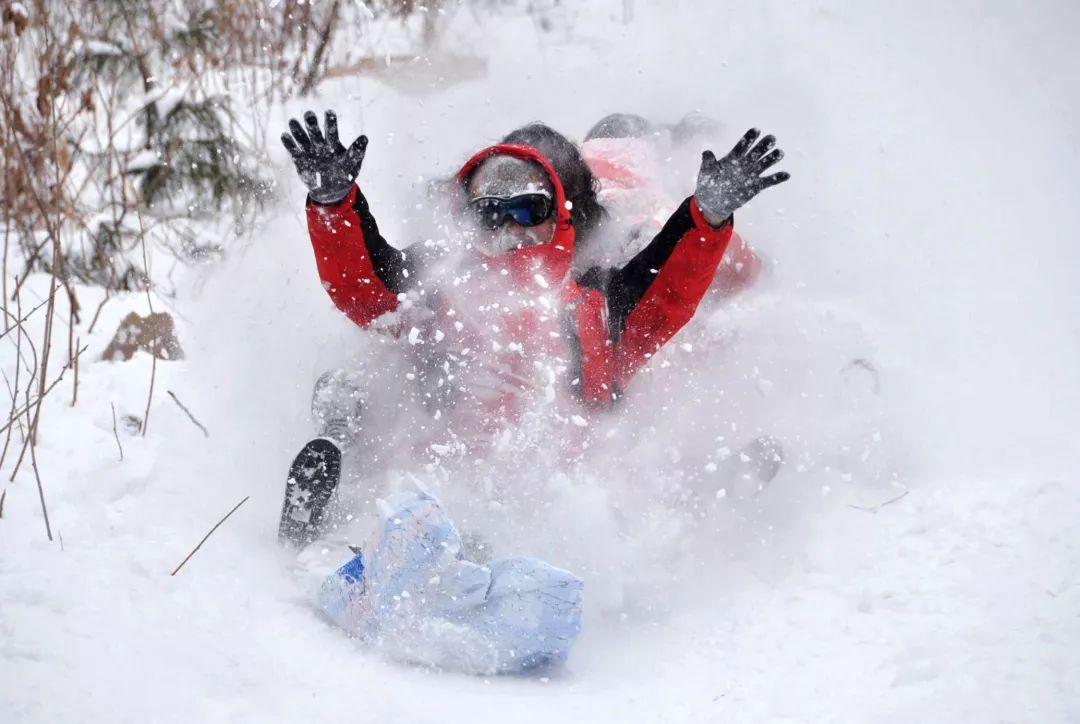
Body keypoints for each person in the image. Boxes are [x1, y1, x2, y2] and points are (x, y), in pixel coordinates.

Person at [277, 109, 790, 673]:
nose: (511, 231)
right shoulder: (442, 280)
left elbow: (664, 289)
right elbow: (369, 288)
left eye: (528, 211)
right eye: (491, 215)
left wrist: (707, 216)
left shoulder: (595, 299)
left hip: (566, 472)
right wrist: (335, 206)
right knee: (383, 441)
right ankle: (334, 491)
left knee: (631, 494)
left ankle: (713, 493)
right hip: (448, 453)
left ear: (560, 213)